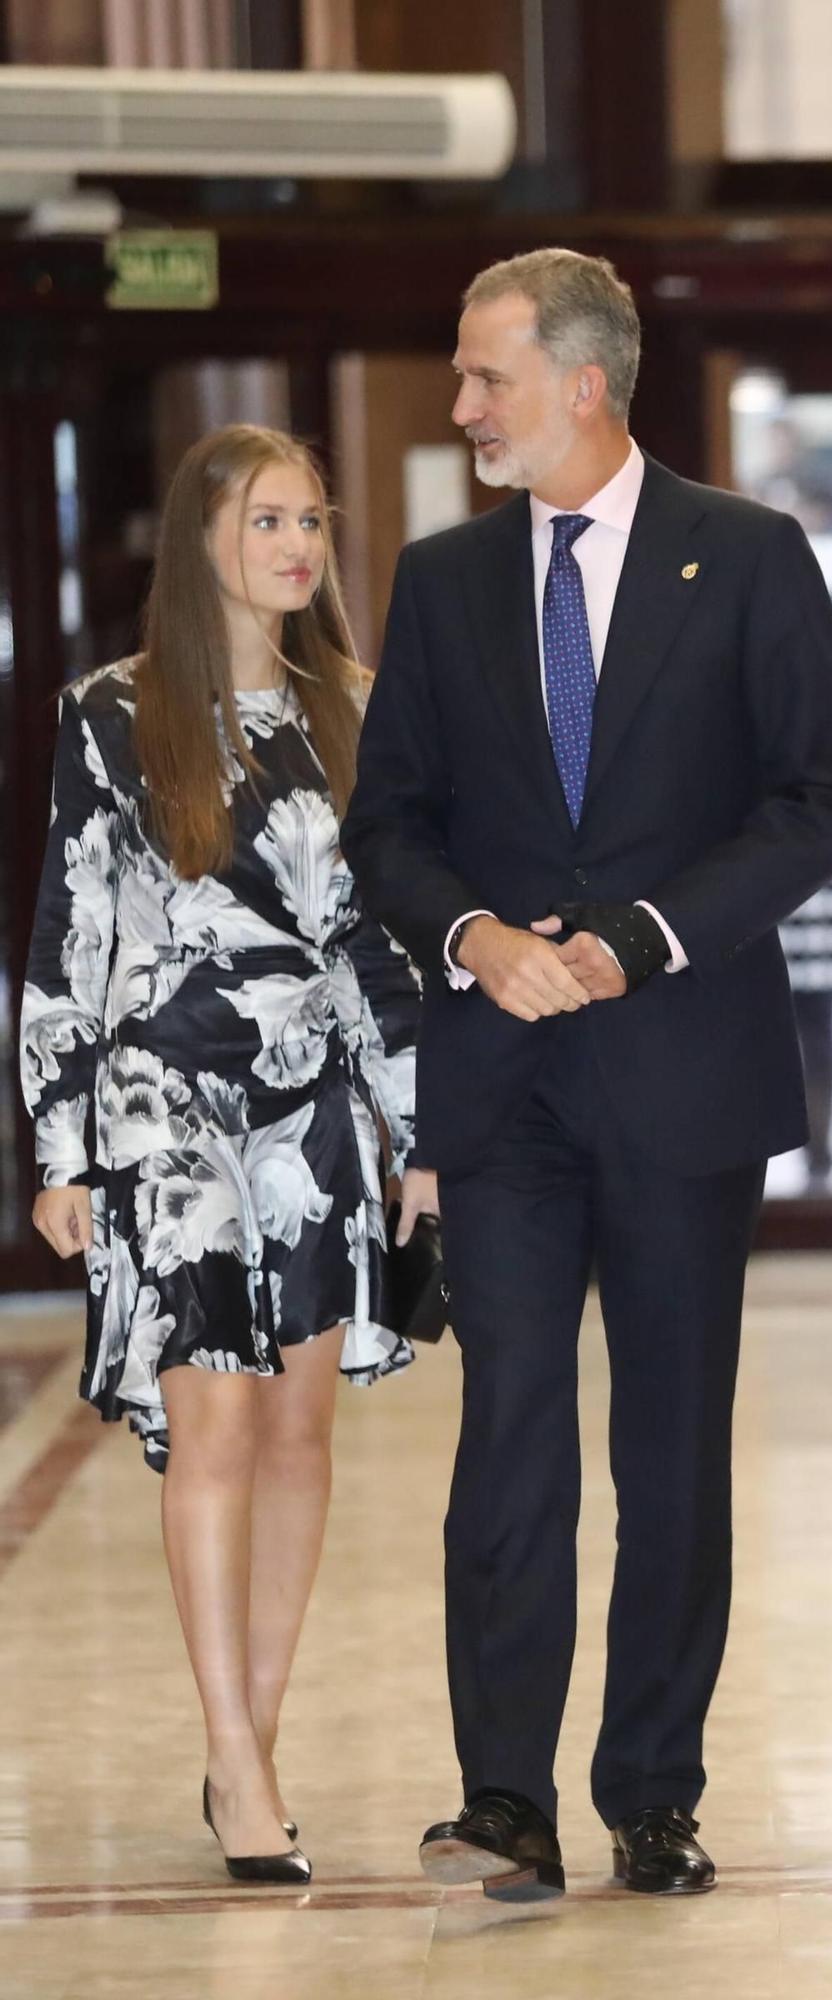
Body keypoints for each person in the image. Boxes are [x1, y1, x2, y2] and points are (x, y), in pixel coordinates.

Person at [341, 248, 832, 1902]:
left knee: (671, 1449)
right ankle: (500, 1794)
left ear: (583, 382)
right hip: (498, 1081)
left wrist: (639, 935)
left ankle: (653, 1788)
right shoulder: (439, 582)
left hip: (682, 1074)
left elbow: (816, 801)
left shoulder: (751, 555)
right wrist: (475, 937)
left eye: (483, 372)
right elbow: (391, 826)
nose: (462, 404)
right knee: (508, 1429)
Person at [20, 423, 433, 1884]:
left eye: (313, 522)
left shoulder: (353, 708)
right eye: (271, 522)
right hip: (158, 1103)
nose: (300, 548)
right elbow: (70, 938)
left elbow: (378, 943)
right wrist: (60, 1146)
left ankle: (245, 1740)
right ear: (206, 539)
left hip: (313, 1107)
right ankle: (240, 1760)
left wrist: (419, 1131)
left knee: (301, 1435)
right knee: (217, 1429)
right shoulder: (115, 712)